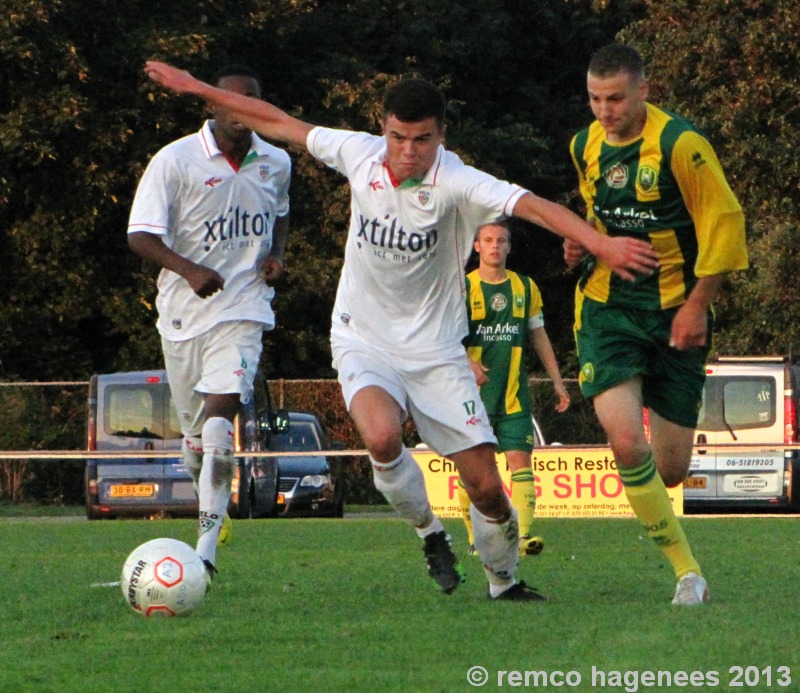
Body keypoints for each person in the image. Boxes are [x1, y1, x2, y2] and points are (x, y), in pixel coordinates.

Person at [145, 60, 658, 601]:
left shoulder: (459, 181)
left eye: (422, 140)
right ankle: (430, 535)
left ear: (441, 136)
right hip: (361, 337)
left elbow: (537, 207)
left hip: (437, 351)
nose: (407, 151)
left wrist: (602, 245)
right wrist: (198, 89)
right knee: (383, 436)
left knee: (486, 487)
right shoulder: (358, 153)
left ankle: (502, 580)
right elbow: (277, 121)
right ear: (382, 127)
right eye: (397, 137)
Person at [564, 44, 748, 606]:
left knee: (670, 469)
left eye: (615, 98)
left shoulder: (680, 145)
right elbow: (595, 212)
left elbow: (725, 223)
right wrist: (584, 242)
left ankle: (678, 547)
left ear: (645, 89)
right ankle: (687, 573)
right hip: (605, 310)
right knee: (626, 445)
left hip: (675, 317)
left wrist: (696, 305)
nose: (604, 111)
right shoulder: (583, 144)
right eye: (595, 99)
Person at [128, 64, 291, 583]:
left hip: (244, 310)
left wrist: (276, 258)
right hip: (182, 316)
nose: (243, 110)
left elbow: (281, 214)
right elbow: (140, 234)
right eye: (233, 101)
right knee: (197, 442)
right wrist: (189, 269)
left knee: (222, 424)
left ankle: (204, 552)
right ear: (212, 106)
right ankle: (206, 495)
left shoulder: (277, 161)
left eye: (253, 101)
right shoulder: (175, 161)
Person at [457, 221, 570, 558]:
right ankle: (475, 539)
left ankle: (521, 536)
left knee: (522, 464)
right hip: (471, 397)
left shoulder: (524, 287)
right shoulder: (463, 287)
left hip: (514, 395)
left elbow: (539, 335)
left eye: (501, 241)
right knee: (475, 473)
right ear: (476, 246)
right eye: (488, 240)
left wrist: (558, 381)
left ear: (509, 247)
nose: (494, 246)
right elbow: (442, 334)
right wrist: (468, 361)